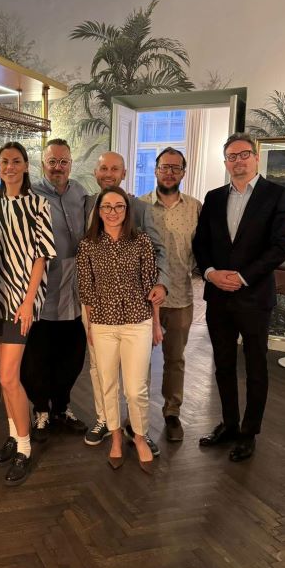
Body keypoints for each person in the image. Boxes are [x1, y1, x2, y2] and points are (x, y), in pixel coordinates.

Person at [192, 133, 285, 461]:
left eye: (244, 154)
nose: (238, 161)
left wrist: (242, 277)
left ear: (256, 157)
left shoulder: (277, 195)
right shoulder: (213, 197)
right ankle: (229, 424)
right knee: (222, 365)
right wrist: (210, 272)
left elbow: (281, 246)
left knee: (255, 368)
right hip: (218, 297)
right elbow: (201, 242)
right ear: (225, 162)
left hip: (254, 297)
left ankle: (249, 432)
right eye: (232, 156)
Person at [83, 151, 169, 454]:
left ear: (124, 173)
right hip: (101, 316)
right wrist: (89, 324)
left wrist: (157, 317)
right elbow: (86, 284)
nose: (109, 173)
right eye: (104, 168)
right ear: (96, 172)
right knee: (102, 376)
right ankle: (109, 425)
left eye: (115, 168)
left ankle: (138, 430)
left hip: (137, 316)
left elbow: (154, 265)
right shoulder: (86, 214)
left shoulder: (140, 224)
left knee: (136, 385)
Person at [0, 142, 56, 486]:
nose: (10, 167)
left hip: (20, 299)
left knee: (7, 377)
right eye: (5, 161)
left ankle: (25, 447)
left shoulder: (38, 204)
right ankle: (14, 434)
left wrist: (29, 301)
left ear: (27, 166)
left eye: (16, 161)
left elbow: (42, 256)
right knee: (6, 378)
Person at [20, 138, 88, 443]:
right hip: (42, 288)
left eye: (63, 162)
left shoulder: (80, 193)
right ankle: (41, 410)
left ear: (70, 164)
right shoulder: (31, 195)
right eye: (52, 162)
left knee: (72, 356)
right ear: (42, 164)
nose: (57, 167)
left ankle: (62, 407)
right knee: (38, 357)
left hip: (74, 290)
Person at [139, 147, 202, 442]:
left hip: (179, 297)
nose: (169, 173)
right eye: (164, 167)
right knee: (139, 360)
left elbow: (202, 248)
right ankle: (137, 414)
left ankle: (172, 412)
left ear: (183, 172)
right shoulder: (139, 206)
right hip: (142, 299)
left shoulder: (195, 208)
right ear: (155, 170)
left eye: (175, 168)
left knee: (175, 359)